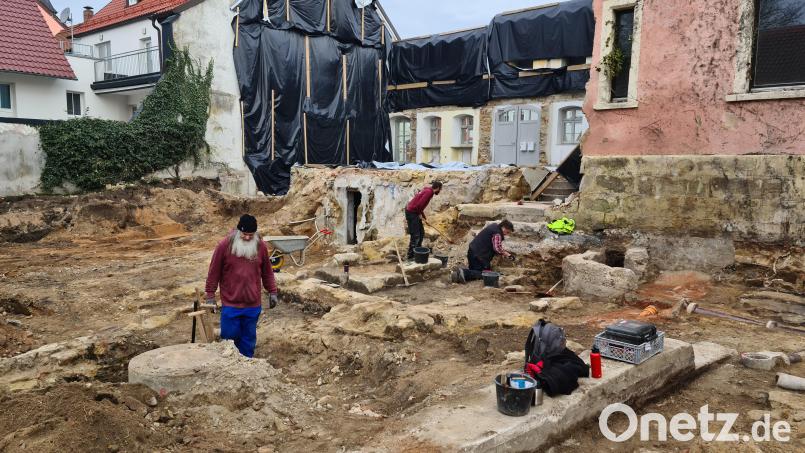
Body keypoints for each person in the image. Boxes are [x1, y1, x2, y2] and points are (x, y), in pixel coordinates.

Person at [205, 214, 278, 357]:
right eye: (244, 234)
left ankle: (246, 365)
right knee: (229, 338)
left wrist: (273, 291)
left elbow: (267, 272)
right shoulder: (224, 246)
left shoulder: (260, 247)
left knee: (248, 339)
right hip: (231, 303)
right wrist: (210, 295)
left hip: (252, 304)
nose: (247, 238)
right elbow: (213, 272)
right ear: (238, 231)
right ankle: (229, 365)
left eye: (251, 235)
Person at [404, 181, 442, 260]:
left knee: (421, 233)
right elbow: (419, 205)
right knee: (416, 235)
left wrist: (424, 218)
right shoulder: (429, 193)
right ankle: (411, 256)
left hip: (413, 211)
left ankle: (417, 252)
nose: (440, 191)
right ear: (438, 188)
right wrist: (419, 214)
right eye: (440, 189)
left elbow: (419, 206)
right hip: (412, 212)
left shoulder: (427, 190)